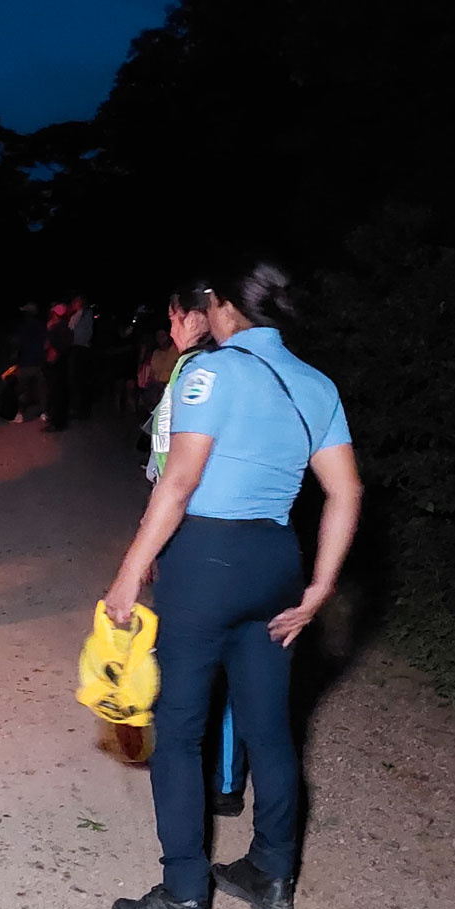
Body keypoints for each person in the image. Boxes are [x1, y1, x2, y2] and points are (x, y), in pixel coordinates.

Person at [102, 262, 362, 909]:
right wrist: (319, 588)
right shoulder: (316, 383)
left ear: (220, 308)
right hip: (278, 561)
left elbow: (180, 479)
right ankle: (272, 875)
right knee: (270, 729)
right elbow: (345, 492)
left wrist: (130, 571)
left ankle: (185, 899)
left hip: (208, 562)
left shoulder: (210, 374)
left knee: (180, 733)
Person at [143, 284, 245, 817]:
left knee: (192, 662)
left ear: (189, 318)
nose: (171, 328)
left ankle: (190, 773)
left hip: (194, 533)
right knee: (234, 662)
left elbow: (168, 468)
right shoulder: (237, 367)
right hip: (241, 532)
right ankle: (227, 781)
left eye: (173, 317)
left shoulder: (192, 374)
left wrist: (151, 538)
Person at [12, 301, 46, 422]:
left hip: (25, 361)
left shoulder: (23, 326)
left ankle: (20, 414)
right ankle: (44, 413)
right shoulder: (41, 325)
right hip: (38, 361)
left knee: (21, 388)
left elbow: (18, 344)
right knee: (40, 388)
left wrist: (15, 359)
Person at [42, 301, 73, 431]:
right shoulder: (67, 328)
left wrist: (49, 331)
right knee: (61, 393)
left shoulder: (57, 328)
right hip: (63, 363)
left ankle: (56, 423)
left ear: (56, 314)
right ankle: (58, 421)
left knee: (56, 393)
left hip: (56, 364)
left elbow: (49, 347)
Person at [68, 293, 95, 419]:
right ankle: (77, 409)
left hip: (82, 349)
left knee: (80, 380)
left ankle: (82, 411)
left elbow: (85, 333)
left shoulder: (86, 313)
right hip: (75, 348)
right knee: (75, 380)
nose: (73, 303)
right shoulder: (74, 315)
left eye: (76, 301)